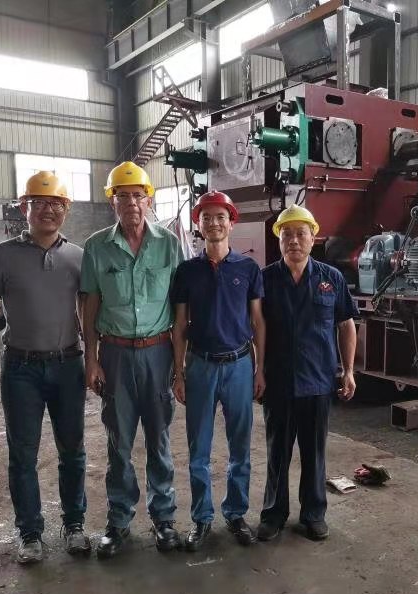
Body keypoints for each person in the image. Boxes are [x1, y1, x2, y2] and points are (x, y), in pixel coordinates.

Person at [0, 171, 90, 564]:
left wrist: (93, 360)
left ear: (66, 209)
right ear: (25, 208)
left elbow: (87, 313)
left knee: (73, 450)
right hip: (21, 369)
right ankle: (30, 533)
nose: (47, 210)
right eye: (39, 203)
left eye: (56, 203)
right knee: (23, 455)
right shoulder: (2, 255)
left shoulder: (78, 257)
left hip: (68, 365)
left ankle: (74, 525)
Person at [80, 161, 183, 558]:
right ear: (113, 202)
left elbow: (180, 308)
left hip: (158, 353)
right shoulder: (96, 247)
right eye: (122, 196)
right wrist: (92, 359)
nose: (131, 203)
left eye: (138, 196)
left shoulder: (169, 244)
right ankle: (119, 521)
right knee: (119, 443)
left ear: (148, 200)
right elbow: (89, 306)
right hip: (116, 355)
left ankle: (164, 519)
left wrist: (179, 364)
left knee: (159, 439)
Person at [170, 191, 266, 551]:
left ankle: (236, 513)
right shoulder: (187, 271)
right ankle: (202, 518)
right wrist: (179, 372)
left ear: (231, 222)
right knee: (199, 449)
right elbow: (179, 325)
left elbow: (258, 322)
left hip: (239, 365)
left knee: (240, 446)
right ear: (199, 224)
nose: (213, 223)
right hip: (200, 366)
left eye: (220, 217)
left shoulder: (248, 269)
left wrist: (259, 369)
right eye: (206, 217)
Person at [257, 204, 358, 542]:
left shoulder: (331, 279)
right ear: (279, 240)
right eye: (287, 234)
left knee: (314, 453)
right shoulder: (266, 279)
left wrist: (348, 371)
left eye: (301, 234)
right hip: (278, 381)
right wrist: (257, 371)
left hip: (318, 382)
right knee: (278, 453)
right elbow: (255, 329)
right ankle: (274, 514)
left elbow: (346, 325)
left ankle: (314, 514)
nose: (294, 241)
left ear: (313, 238)